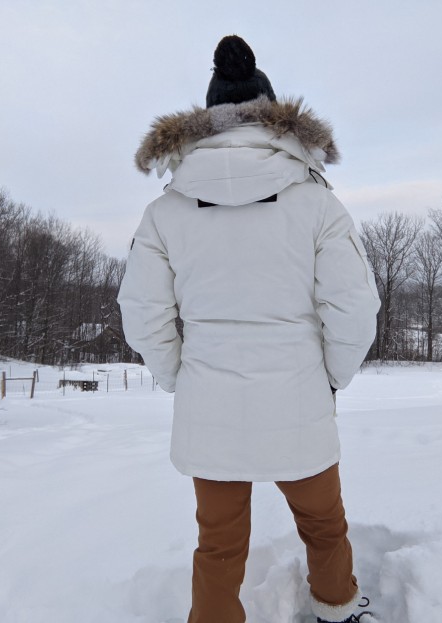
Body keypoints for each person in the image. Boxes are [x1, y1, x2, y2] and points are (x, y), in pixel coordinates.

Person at [118, 34, 380, 623]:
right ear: (274, 115)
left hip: (209, 407)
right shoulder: (317, 202)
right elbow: (353, 307)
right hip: (299, 402)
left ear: (207, 119)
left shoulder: (165, 212)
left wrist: (180, 377)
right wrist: (330, 378)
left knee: (218, 544)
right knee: (323, 526)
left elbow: (142, 311)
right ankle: (338, 610)